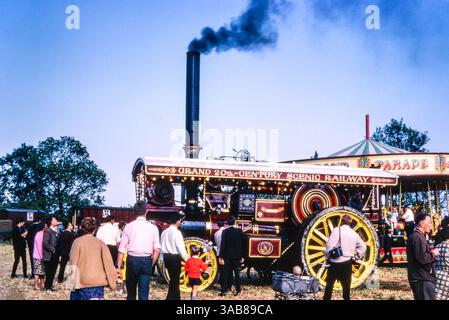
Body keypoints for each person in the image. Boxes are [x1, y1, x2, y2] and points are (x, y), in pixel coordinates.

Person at [117, 202, 161, 300]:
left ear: (134, 212)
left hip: (132, 260)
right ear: (147, 211)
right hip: (146, 261)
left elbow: (122, 248)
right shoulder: (153, 228)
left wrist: (119, 266)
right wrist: (151, 264)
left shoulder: (128, 226)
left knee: (131, 292)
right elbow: (157, 249)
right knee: (144, 292)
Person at [69, 217, 116, 300]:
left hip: (81, 281)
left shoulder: (77, 242)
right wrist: (112, 283)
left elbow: (73, 262)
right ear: (95, 229)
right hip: (97, 283)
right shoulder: (101, 244)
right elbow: (108, 264)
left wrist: (70, 282)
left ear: (82, 228)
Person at [323, 214, 367, 300]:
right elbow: (363, 247)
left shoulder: (336, 230)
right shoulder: (354, 234)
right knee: (346, 290)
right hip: (347, 263)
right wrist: (356, 256)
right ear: (350, 223)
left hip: (335, 262)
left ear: (342, 221)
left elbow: (329, 246)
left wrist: (327, 257)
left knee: (329, 288)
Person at [407, 213, 440, 300]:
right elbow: (422, 258)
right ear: (421, 223)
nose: (430, 225)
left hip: (421, 278)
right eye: (429, 222)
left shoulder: (417, 237)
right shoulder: (418, 237)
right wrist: (433, 253)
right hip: (422, 279)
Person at [160, 214, 189, 300]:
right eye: (180, 221)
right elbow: (180, 248)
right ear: (177, 221)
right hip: (174, 257)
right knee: (175, 280)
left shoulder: (164, 232)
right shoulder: (177, 232)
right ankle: (171, 297)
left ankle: (176, 297)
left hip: (166, 257)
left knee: (173, 279)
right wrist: (188, 259)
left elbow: (161, 246)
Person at [219, 216, 247, 297]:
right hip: (237, 256)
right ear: (235, 222)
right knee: (237, 274)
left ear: (227, 223)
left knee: (226, 273)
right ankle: (238, 289)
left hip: (227, 256)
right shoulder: (239, 231)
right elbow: (245, 242)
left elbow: (223, 245)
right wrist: (243, 255)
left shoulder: (225, 231)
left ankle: (224, 290)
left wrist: (221, 256)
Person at [434, 217, 449, 300]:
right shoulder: (448, 247)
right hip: (446, 277)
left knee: (438, 297)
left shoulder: (438, 246)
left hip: (437, 275)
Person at [43, 215, 59, 291]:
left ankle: (50, 285)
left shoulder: (56, 230)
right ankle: (47, 287)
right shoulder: (48, 231)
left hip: (55, 254)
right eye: (55, 220)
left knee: (53, 271)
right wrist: (53, 250)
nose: (56, 221)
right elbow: (45, 243)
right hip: (50, 255)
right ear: (51, 222)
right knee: (49, 272)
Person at [214, 220, 228, 290]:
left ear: (218, 225)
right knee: (226, 270)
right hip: (226, 253)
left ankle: (222, 285)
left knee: (221, 270)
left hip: (219, 253)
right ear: (224, 225)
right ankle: (226, 286)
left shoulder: (216, 233)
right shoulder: (227, 232)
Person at [32, 223, 46, 290]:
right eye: (45, 226)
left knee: (42, 272)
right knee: (37, 272)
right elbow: (39, 247)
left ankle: (42, 284)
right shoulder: (40, 235)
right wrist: (42, 256)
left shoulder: (39, 234)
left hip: (38, 255)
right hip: (38, 256)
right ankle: (36, 285)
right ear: (43, 228)